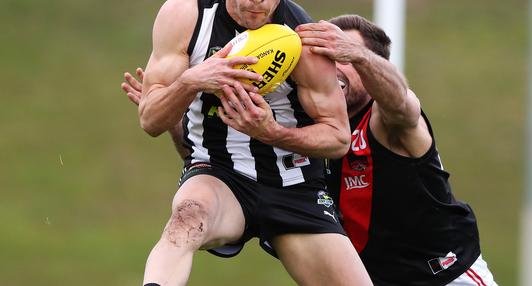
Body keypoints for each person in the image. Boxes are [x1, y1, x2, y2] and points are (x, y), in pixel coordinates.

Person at [124, 15, 498, 285]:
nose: (331, 67)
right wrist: (177, 117)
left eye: (343, 58)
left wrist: (363, 56)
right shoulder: (298, 131)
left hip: (443, 275)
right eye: (324, 57)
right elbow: (214, 164)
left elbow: (402, 102)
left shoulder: (387, 121)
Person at [132, 0, 372, 285]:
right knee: (184, 220)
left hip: (295, 184)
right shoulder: (185, 17)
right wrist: (192, 81)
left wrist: (271, 131)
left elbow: (338, 138)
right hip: (219, 174)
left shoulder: (305, 39)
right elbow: (149, 119)